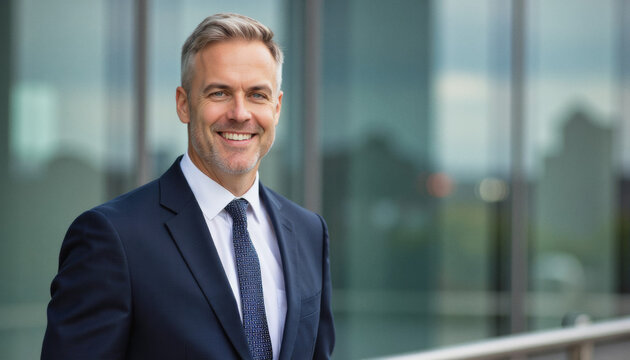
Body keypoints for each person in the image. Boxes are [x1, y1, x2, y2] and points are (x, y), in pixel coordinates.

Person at [42, 13, 334, 360]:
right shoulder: (113, 237)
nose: (240, 113)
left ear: (277, 107)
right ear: (184, 103)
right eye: (219, 92)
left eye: (257, 94)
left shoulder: (308, 232)